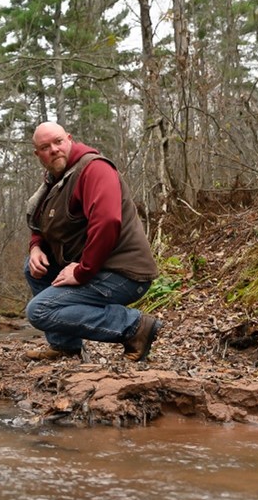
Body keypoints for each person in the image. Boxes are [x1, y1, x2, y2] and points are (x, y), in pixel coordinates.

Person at [22, 122, 162, 363]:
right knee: (33, 268)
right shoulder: (55, 180)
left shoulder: (94, 168)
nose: (54, 149)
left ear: (69, 139)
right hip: (98, 269)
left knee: (39, 311)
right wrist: (35, 247)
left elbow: (108, 221)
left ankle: (135, 326)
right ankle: (65, 345)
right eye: (45, 147)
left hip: (124, 274)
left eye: (58, 142)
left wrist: (83, 271)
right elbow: (41, 223)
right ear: (38, 154)